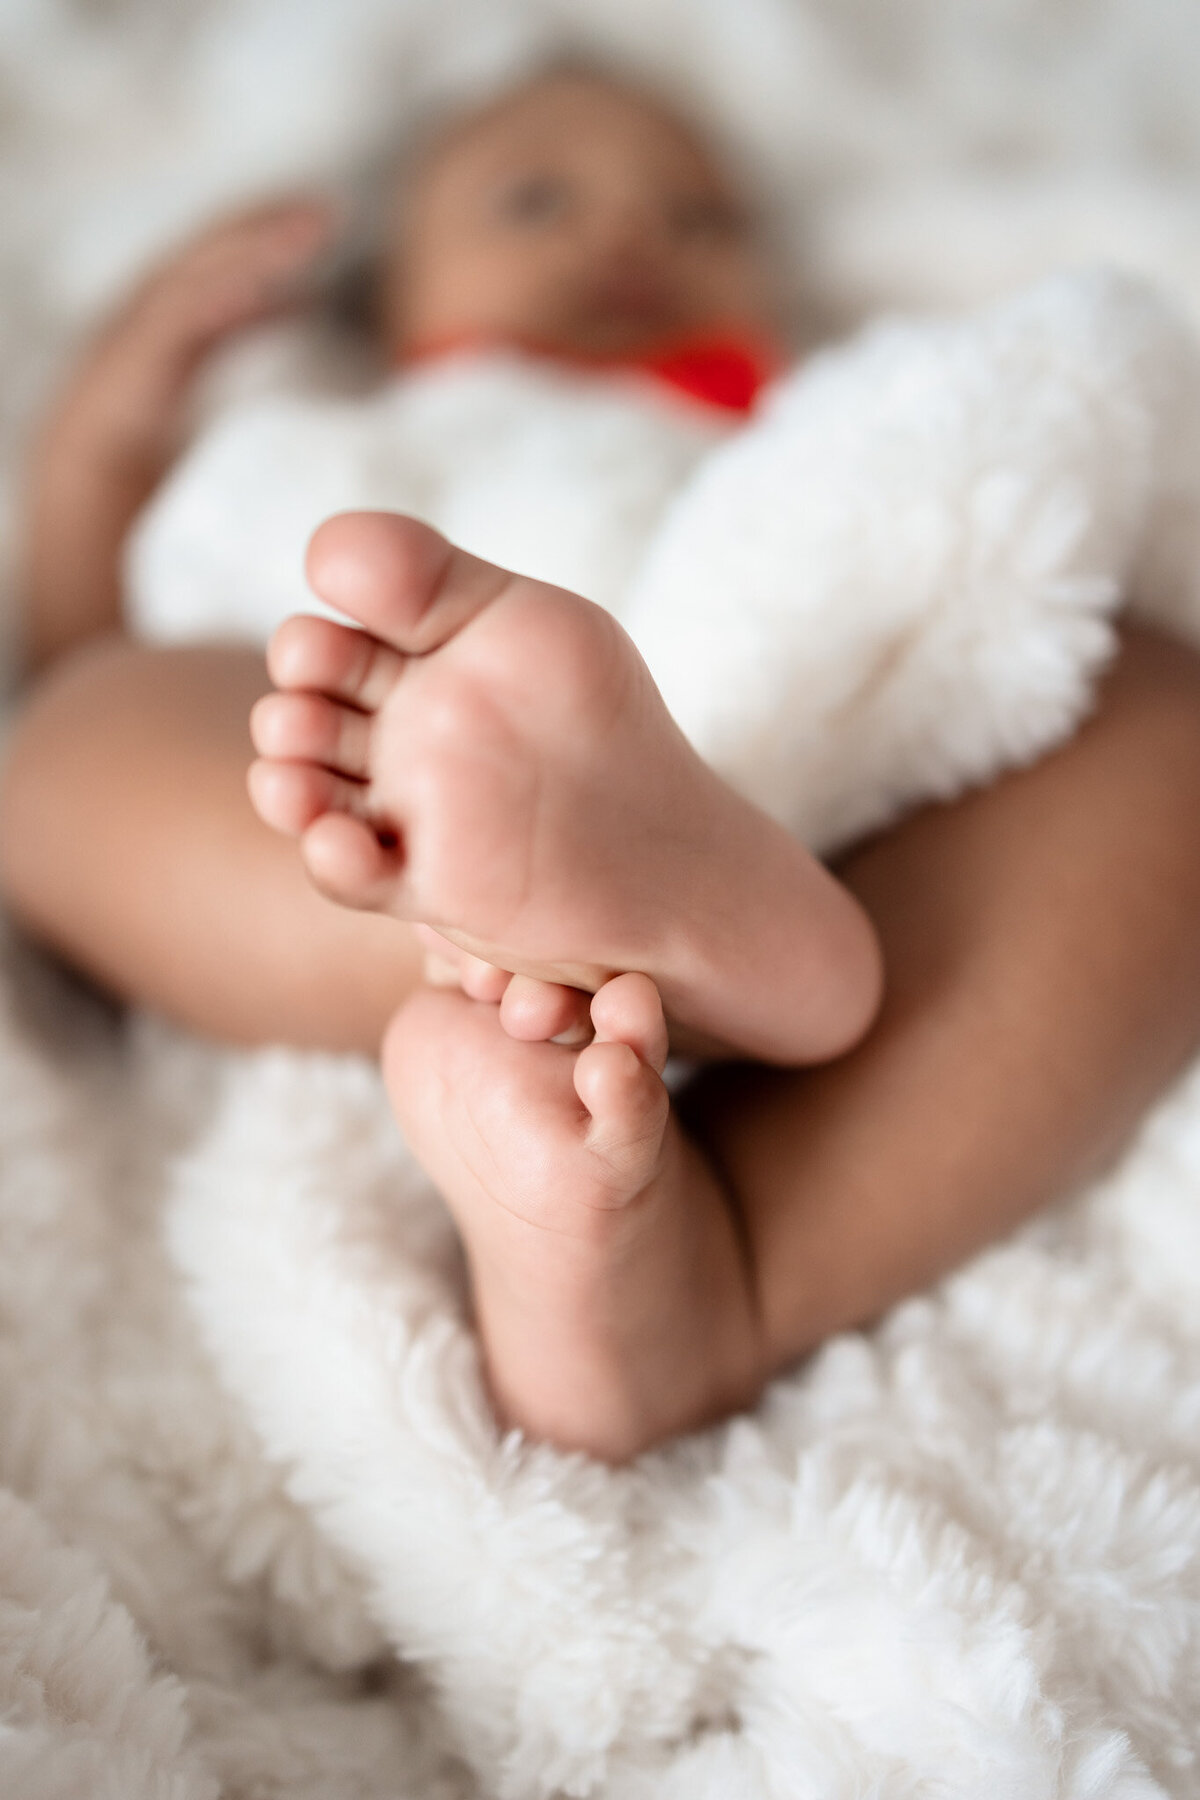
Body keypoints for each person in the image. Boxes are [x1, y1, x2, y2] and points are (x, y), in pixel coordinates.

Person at [5, 67, 1200, 1462]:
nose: (628, 237)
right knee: (81, 730)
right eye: (536, 200)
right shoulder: (335, 441)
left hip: (811, 777)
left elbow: (964, 575)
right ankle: (553, 956)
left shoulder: (810, 439)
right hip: (401, 817)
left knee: (1161, 717)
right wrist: (103, 429)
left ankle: (735, 1199)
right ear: (388, 293)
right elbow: (97, 639)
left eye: (700, 218)